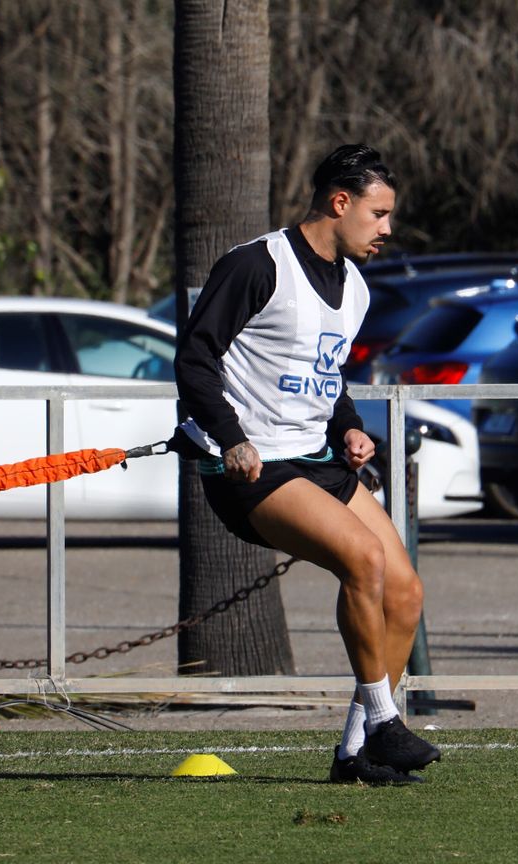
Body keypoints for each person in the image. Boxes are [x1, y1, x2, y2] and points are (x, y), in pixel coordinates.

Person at [173, 144, 440, 785]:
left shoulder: (354, 288)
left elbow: (327, 376)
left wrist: (349, 429)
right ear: (339, 202)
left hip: (316, 461)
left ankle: (356, 753)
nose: (387, 228)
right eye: (378, 214)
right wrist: (231, 436)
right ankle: (383, 720)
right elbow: (194, 358)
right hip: (251, 469)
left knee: (405, 591)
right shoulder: (256, 265)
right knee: (364, 560)